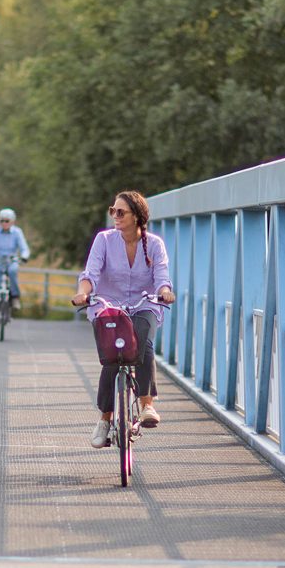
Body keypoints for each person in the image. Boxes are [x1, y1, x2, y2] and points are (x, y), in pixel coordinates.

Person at [71, 191, 175, 448]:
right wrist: (83, 293)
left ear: (137, 217)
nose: (115, 217)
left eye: (121, 212)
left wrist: (164, 292)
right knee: (112, 359)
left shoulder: (154, 244)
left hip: (144, 304)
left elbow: (162, 275)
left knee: (143, 345)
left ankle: (146, 404)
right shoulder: (104, 240)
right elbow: (91, 272)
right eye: (113, 211)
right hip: (109, 305)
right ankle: (105, 420)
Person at [0, 208, 30, 333]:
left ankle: (15, 297)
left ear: (12, 221)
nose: (4, 223)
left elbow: (24, 248)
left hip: (12, 261)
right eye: (2, 220)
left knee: (12, 272)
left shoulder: (17, 232)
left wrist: (24, 256)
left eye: (7, 221)